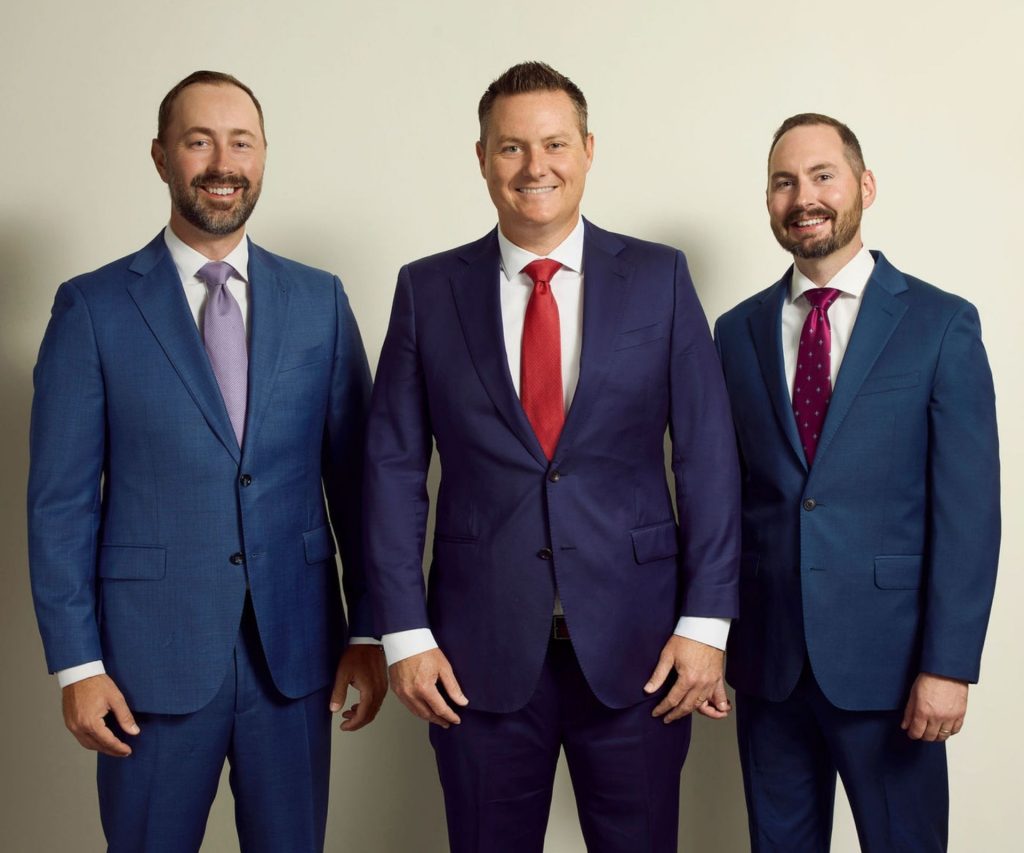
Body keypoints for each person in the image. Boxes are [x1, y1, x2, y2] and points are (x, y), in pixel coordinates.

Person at [363, 61, 740, 853]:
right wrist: (404, 633)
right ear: (481, 158)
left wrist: (707, 624)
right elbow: (393, 472)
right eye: (511, 147)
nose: (535, 166)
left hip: (643, 650)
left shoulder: (661, 279)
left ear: (589, 149)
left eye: (555, 143)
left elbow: (707, 458)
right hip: (474, 654)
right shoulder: (427, 291)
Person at [27, 70, 386, 853]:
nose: (223, 163)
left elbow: (359, 487)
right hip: (147, 664)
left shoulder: (320, 301)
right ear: (161, 156)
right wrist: (77, 665)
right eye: (199, 141)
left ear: (264, 156)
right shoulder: (92, 308)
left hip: (296, 655)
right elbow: (59, 504)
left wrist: (369, 628)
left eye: (241, 143)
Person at [715, 113, 1000, 851]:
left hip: (893, 668)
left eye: (823, 176)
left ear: (865, 186)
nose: (803, 197)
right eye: (783, 182)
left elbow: (969, 514)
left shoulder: (941, 324)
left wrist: (948, 665)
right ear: (768, 200)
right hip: (770, 664)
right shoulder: (735, 333)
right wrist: (710, 635)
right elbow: (722, 500)